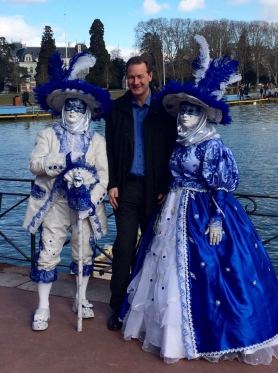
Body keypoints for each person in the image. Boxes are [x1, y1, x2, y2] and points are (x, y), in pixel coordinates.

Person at [120, 35, 278, 365]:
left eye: (192, 112)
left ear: (203, 115)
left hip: (205, 213)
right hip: (173, 210)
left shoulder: (212, 146)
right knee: (164, 269)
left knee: (214, 273)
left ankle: (216, 334)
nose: (184, 117)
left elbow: (223, 185)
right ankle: (168, 335)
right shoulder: (181, 142)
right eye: (182, 111)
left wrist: (216, 218)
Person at [23, 51, 112, 331]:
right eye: (69, 107)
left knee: (83, 254)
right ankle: (43, 306)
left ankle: (81, 298)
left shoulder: (98, 140)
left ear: (86, 111)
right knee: (48, 253)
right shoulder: (47, 135)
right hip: (54, 203)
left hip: (85, 207)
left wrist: (90, 199)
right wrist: (64, 159)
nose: (72, 112)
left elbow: (104, 177)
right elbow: (35, 164)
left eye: (78, 108)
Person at [105, 56, 177, 331]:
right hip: (126, 188)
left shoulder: (163, 109)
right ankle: (118, 307)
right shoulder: (118, 108)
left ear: (150, 76)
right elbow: (109, 149)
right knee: (123, 248)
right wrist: (111, 183)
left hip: (155, 192)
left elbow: (174, 150)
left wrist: (165, 185)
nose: (135, 82)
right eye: (131, 77)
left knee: (154, 250)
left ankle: (150, 306)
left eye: (140, 76)